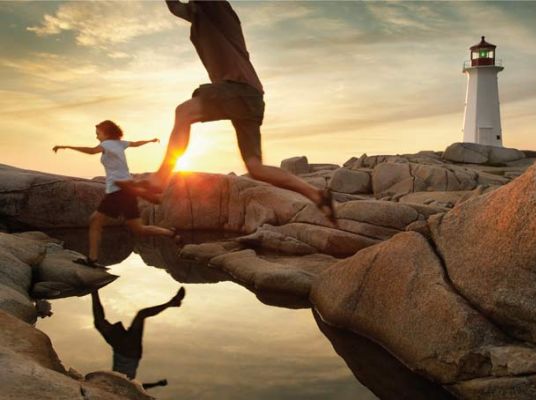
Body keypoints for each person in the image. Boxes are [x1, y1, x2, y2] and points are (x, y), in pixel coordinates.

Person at [146, 0, 336, 223]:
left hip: (239, 88)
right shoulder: (199, 14)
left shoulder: (216, 6)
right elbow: (176, 8)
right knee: (256, 168)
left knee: (184, 112)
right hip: (249, 96)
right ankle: (318, 196)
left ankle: (160, 180)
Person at [53, 120, 180, 268]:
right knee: (138, 229)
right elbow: (136, 143)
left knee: (95, 221)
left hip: (117, 190)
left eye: (98, 133)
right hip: (126, 190)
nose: (96, 137)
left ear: (106, 133)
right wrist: (150, 140)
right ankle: (170, 233)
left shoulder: (106, 144)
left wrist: (66, 147)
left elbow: (92, 151)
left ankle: (92, 259)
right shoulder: (120, 143)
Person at [91, 287, 185, 386]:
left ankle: (94, 290)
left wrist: (157, 384)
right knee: (141, 315)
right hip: (130, 351)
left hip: (119, 349)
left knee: (99, 323)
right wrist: (157, 384)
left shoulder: (116, 387)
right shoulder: (128, 388)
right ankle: (171, 303)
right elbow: (141, 387)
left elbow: (141, 387)